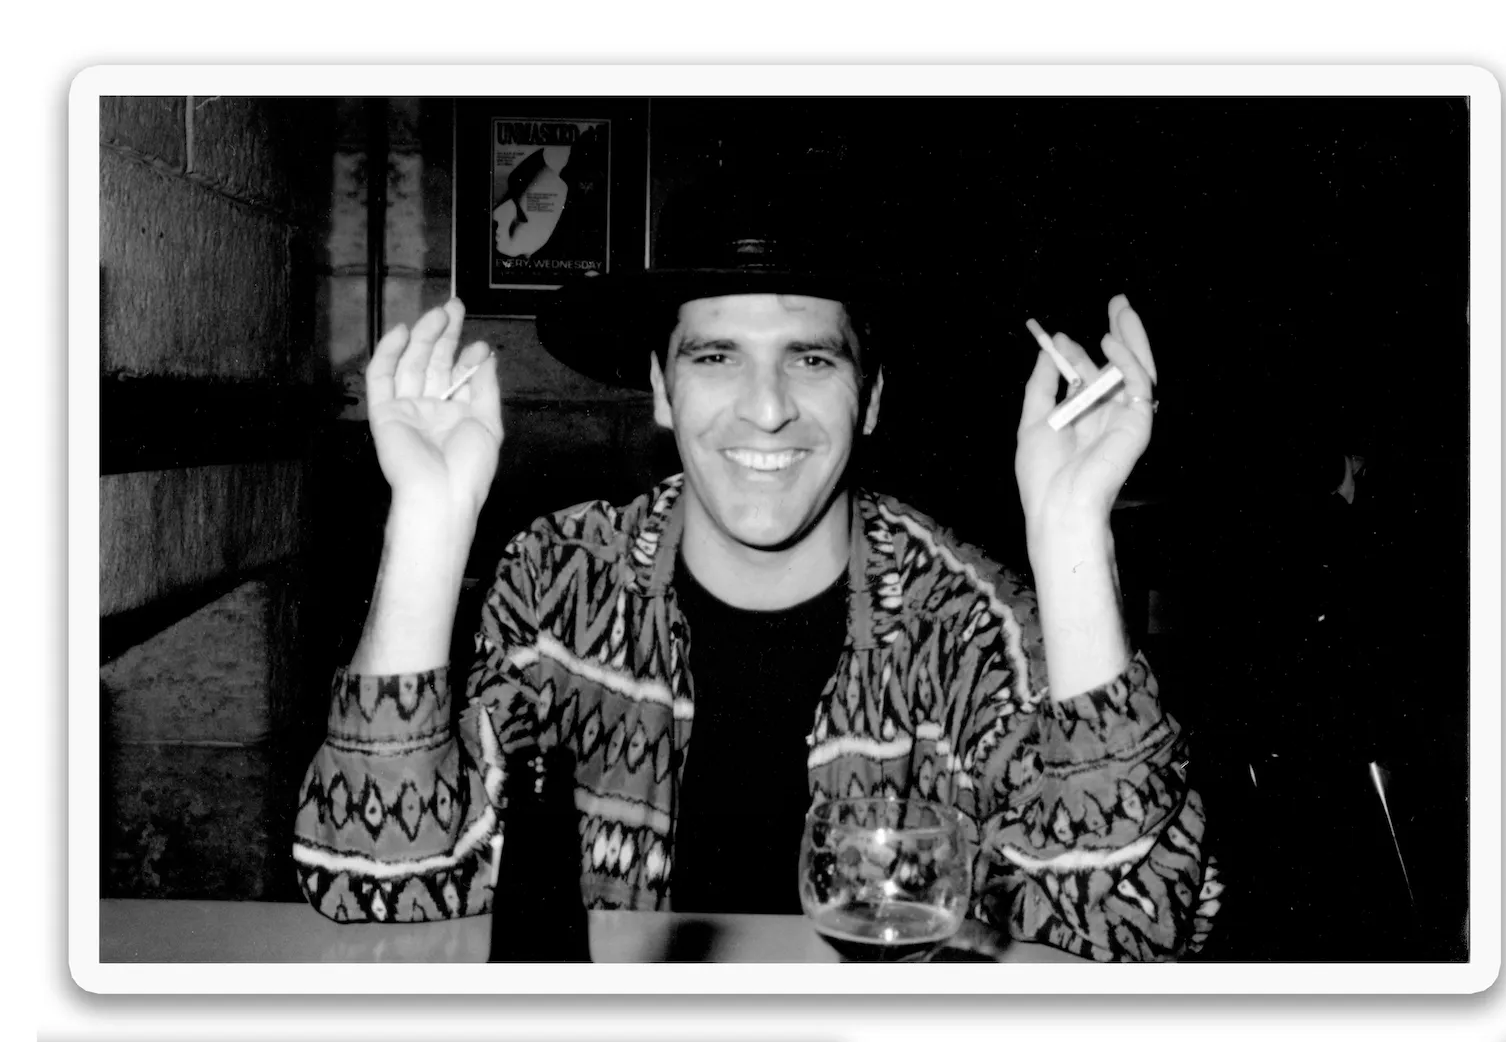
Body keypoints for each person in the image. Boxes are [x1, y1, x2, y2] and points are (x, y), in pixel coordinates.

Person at [292, 176, 1222, 962]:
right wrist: (427, 521)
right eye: (715, 356)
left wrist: (1070, 529)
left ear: (870, 398)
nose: (767, 408)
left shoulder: (965, 623)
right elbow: (377, 882)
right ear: (660, 389)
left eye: (811, 358)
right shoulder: (558, 582)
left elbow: (1135, 924)